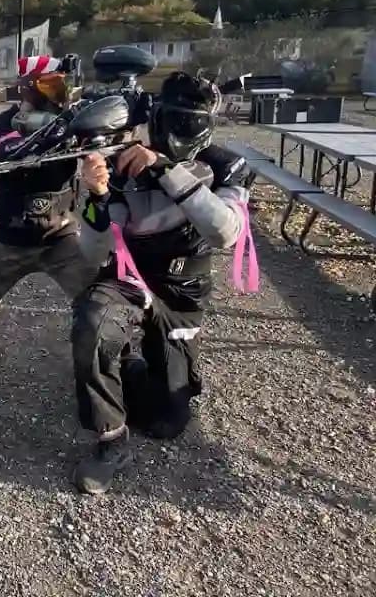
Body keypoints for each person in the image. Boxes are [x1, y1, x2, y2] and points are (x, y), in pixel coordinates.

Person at [71, 71, 257, 495]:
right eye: (171, 120)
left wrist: (168, 171)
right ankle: (110, 438)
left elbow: (225, 232)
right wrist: (98, 197)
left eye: (190, 124)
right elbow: (93, 251)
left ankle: (123, 370)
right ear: (155, 118)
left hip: (181, 293)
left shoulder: (227, 166)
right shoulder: (124, 164)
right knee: (92, 322)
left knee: (166, 420)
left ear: (206, 126)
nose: (177, 133)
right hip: (130, 279)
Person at [0, 54, 96, 376]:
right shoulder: (2, 125)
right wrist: (62, 130)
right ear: (29, 87)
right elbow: (10, 153)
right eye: (50, 84)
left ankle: (97, 366)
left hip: (61, 232)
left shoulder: (72, 119)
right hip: (12, 236)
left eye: (60, 84)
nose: (58, 91)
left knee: (94, 300)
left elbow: (105, 140)